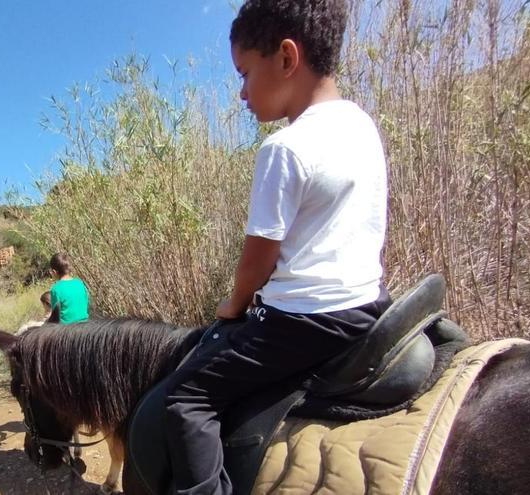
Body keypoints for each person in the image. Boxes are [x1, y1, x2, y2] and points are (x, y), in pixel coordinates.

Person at [163, 2, 393, 493]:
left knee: (186, 398)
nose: (241, 92)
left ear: (287, 58)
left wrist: (232, 305)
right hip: (366, 305)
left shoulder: (284, 148)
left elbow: (258, 264)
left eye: (245, 73)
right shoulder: (360, 123)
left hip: (304, 319)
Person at [47, 253, 89, 324]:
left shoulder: (55, 289)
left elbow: (55, 317)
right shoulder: (80, 283)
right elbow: (87, 306)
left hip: (66, 331)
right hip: (85, 326)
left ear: (54, 272)